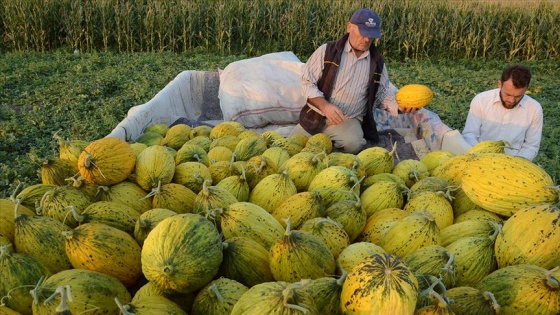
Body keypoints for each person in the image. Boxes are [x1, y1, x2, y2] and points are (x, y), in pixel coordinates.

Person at [289, 8, 413, 154]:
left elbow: (381, 95)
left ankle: (334, 145)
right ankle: (326, 141)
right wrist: (325, 106)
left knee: (353, 144)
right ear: (349, 27)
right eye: (363, 33)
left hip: (348, 120)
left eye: (371, 36)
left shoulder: (377, 61)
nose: (367, 39)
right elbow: (307, 82)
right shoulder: (327, 51)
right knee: (290, 146)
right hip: (316, 116)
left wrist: (398, 107)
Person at [462, 64, 543, 161]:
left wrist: (515, 163)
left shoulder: (534, 109)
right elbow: (470, 134)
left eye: (518, 96)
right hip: (480, 158)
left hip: (513, 162)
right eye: (508, 94)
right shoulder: (481, 100)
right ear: (499, 84)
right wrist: (481, 155)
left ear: (526, 89)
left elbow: (531, 146)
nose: (512, 100)